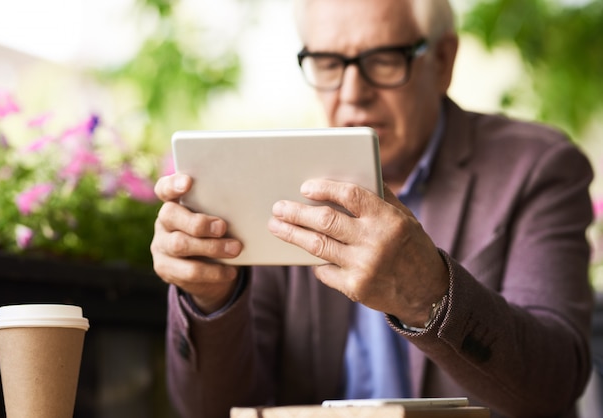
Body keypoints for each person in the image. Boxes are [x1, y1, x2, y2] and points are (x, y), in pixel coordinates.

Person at [150, 0, 594, 416]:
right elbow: (213, 409)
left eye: (383, 60)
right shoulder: (277, 176)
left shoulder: (537, 167)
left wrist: (429, 295)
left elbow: (554, 385)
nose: (352, 93)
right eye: (327, 63)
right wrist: (210, 301)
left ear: (442, 61)